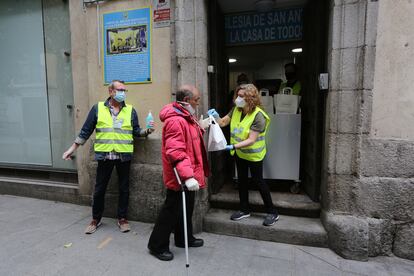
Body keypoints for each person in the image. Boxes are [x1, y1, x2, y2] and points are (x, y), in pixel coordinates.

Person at [62, 80, 154, 234]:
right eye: (120, 90)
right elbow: (86, 131)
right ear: (111, 91)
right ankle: (95, 219)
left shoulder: (130, 111)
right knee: (99, 189)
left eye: (124, 90)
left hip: (123, 156)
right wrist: (72, 149)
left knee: (124, 189)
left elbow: (136, 131)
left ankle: (122, 218)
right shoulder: (97, 109)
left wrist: (147, 132)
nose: (123, 93)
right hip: (105, 156)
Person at [147, 84, 209, 261]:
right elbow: (176, 151)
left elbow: (189, 138)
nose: (198, 103)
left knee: (186, 207)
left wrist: (202, 126)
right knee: (172, 210)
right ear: (187, 100)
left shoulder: (186, 116)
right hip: (179, 175)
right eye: (196, 100)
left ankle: (183, 238)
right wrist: (188, 177)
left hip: (188, 171)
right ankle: (157, 245)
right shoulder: (176, 120)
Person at [208, 84, 279, 227]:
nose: (238, 99)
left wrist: (232, 146)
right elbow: (222, 123)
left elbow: (252, 140)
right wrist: (215, 115)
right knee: (242, 181)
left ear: (250, 98)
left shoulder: (258, 116)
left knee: (258, 181)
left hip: (254, 155)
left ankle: (272, 212)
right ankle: (244, 209)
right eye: (237, 95)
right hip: (240, 154)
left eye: (242, 96)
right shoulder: (236, 110)